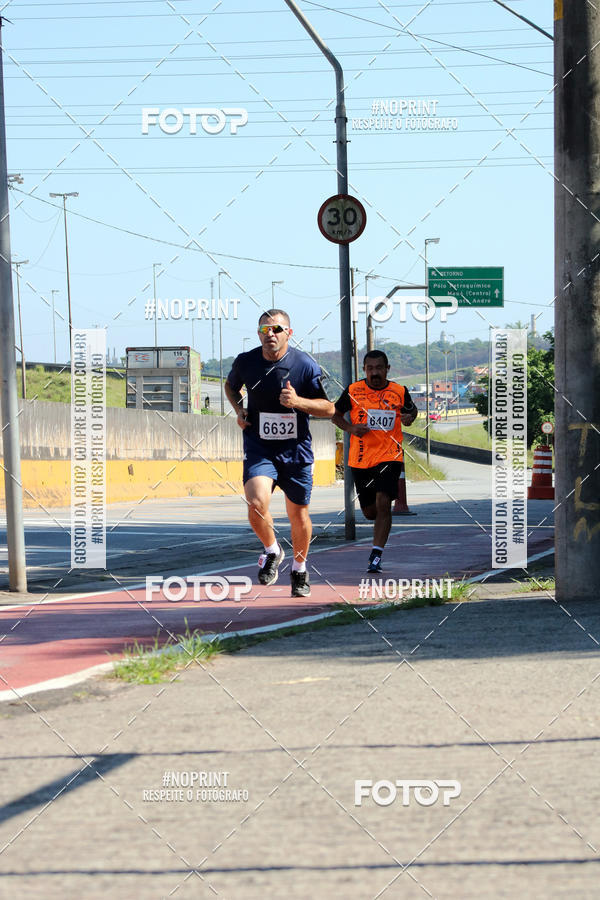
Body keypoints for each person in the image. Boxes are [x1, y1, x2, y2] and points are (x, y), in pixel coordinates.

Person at [225, 309, 334, 597]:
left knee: (298, 515)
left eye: (276, 329)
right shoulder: (246, 362)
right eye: (264, 330)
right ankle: (272, 551)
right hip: (259, 446)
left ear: (289, 333)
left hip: (295, 450)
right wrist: (239, 409)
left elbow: (329, 408)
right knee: (256, 501)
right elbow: (230, 386)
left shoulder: (305, 365)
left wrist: (298, 401)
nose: (269, 334)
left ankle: (299, 569)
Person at [332, 350, 418, 573]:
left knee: (383, 502)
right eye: (370, 368)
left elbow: (411, 412)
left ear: (387, 369)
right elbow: (335, 415)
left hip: (390, 456)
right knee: (370, 512)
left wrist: (410, 417)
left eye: (379, 368)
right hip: (360, 459)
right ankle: (376, 544)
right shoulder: (353, 390)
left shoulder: (399, 391)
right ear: (364, 370)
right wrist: (351, 428)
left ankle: (376, 554)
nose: (375, 372)